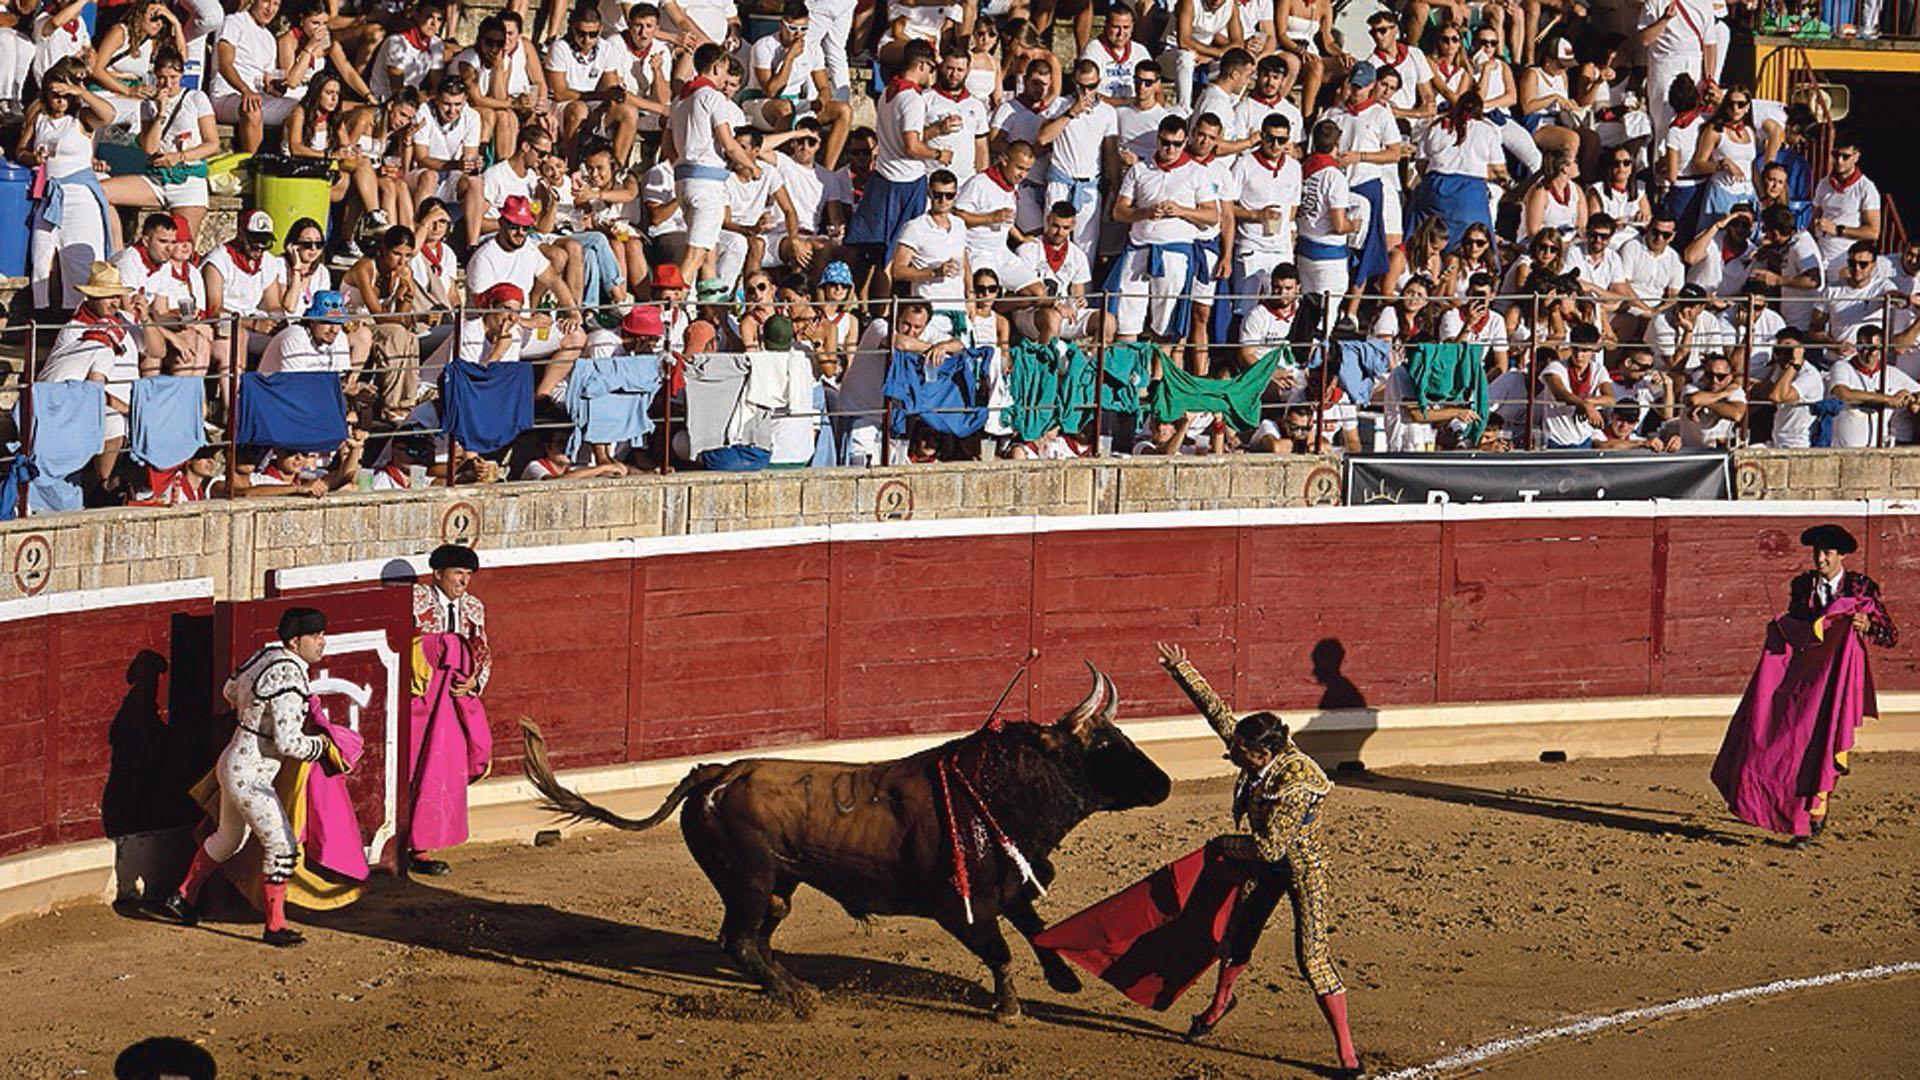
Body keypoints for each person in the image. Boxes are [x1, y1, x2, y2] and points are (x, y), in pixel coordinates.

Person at [1154, 642, 1360, 1078]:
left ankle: (1347, 1056)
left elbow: (1270, 847)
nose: (1233, 755)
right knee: (1236, 939)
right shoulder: (1257, 750)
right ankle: (1217, 1008)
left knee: (1313, 960)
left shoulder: (1296, 782)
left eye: (1241, 754)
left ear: (1264, 755)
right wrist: (1182, 669)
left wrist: (1224, 844)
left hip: (1302, 869)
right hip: (1264, 869)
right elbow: (1220, 716)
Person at [156, 607, 340, 946]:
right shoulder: (288, 676)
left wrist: (253, 712)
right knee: (283, 847)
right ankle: (275, 925)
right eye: (315, 636)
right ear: (295, 641)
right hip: (253, 773)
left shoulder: (265, 655)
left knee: (228, 839)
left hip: (234, 760)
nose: (322, 642)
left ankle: (182, 896)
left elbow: (229, 690)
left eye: (322, 635)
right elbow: (288, 742)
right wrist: (323, 746)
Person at [1711, 525, 1896, 848]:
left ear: (1842, 556)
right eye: (1817, 552)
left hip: (1837, 680)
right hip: (1807, 679)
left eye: (1827, 553)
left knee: (1823, 741)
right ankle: (1804, 817)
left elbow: (1889, 634)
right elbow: (1799, 630)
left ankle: (1815, 816)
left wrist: (1867, 625)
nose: (1820, 558)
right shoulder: (1802, 586)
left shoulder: (1861, 587)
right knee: (1794, 742)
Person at [409, 543, 495, 876]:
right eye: (458, 573)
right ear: (437, 573)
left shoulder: (473, 607)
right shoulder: (415, 602)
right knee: (413, 763)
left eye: (468, 575)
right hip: (419, 699)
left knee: (442, 767)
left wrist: (474, 680)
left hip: (451, 702)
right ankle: (403, 843)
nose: (464, 581)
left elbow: (482, 649)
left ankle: (422, 845)